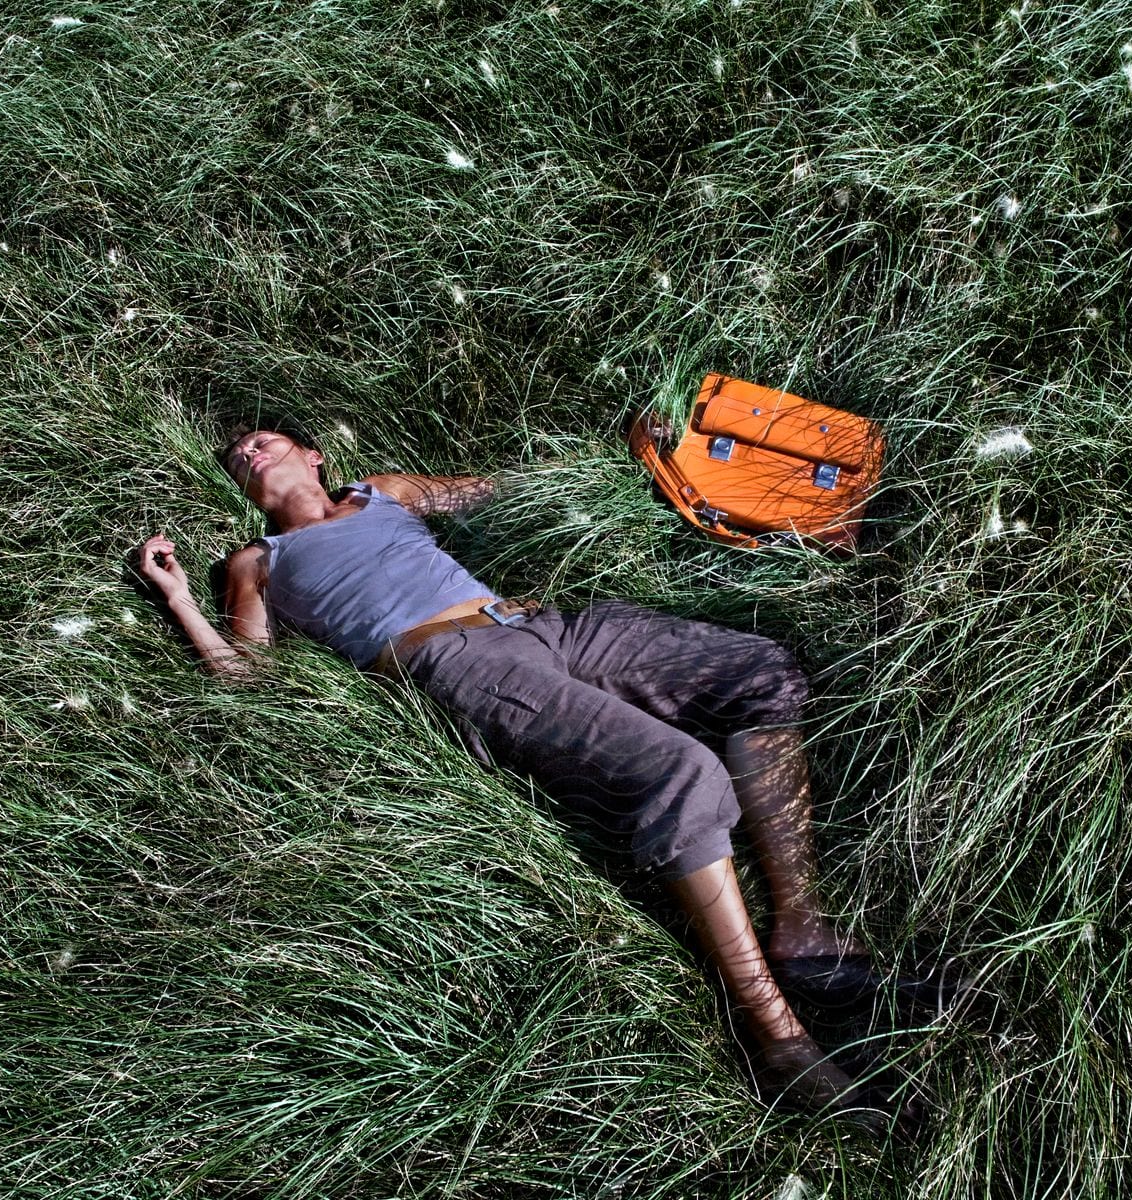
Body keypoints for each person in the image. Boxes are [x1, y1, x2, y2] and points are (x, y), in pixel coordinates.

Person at [131, 422, 934, 1126]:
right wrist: (179, 599)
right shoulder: (257, 560)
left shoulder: (383, 493)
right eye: (238, 458)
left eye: (263, 440)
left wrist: (641, 455)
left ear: (313, 456)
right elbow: (249, 678)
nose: (248, 451)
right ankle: (778, 1036)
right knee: (682, 775)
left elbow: (502, 491)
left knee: (759, 670)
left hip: (540, 624)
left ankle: (801, 920)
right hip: (451, 661)